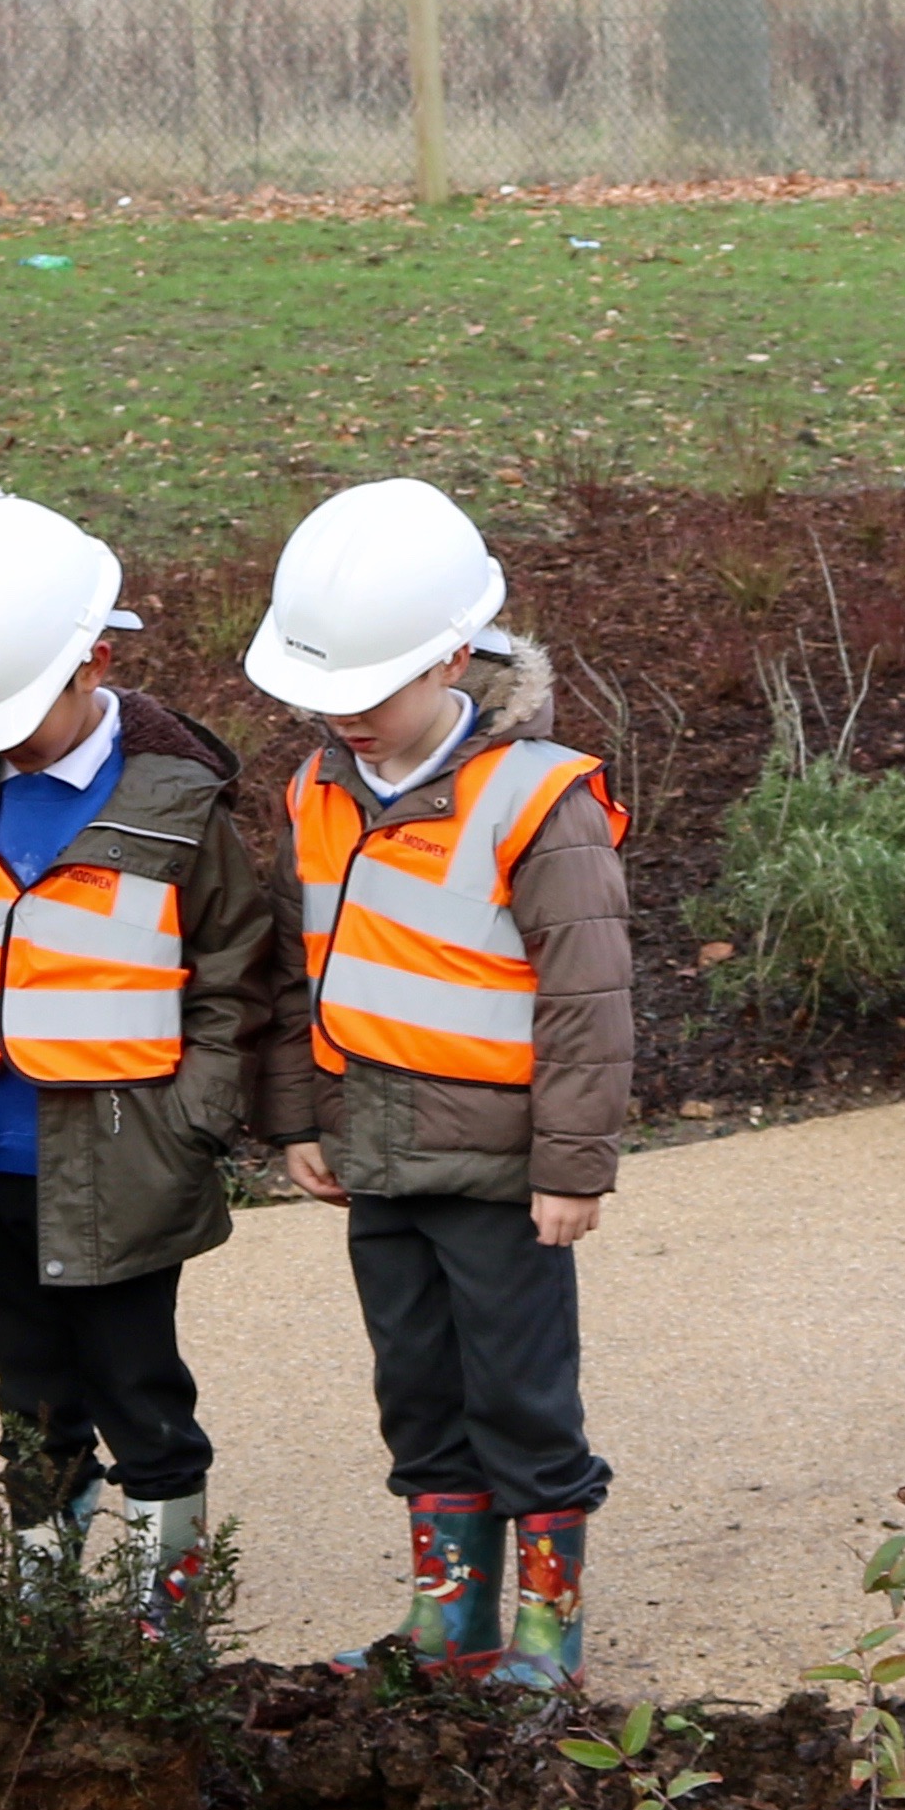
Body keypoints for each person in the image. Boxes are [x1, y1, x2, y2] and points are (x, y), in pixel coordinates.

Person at [249, 478, 631, 1693]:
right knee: (416, 1387)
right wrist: (302, 1117)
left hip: (501, 1169)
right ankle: (451, 1620)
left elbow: (587, 1000)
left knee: (521, 1394)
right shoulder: (319, 792)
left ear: (452, 657)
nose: (344, 716)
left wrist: (573, 1166)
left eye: (370, 692)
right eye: (325, 695)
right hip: (376, 1150)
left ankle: (546, 1634)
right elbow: (300, 964)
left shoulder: (537, 798)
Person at [0, 492, 278, 1601]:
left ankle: (166, 1614)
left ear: (93, 661)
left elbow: (232, 972)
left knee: (142, 1389)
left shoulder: (178, 802)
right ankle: (40, 1603)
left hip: (122, 1161)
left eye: (18, 711)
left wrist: (195, 1115)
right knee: (32, 1393)